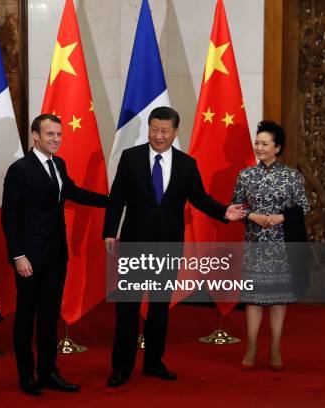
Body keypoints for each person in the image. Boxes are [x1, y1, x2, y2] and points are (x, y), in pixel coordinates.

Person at [103, 106, 246, 387]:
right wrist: (110, 232)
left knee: (158, 307)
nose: (158, 135)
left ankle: (154, 363)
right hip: (134, 244)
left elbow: (200, 198)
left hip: (168, 246)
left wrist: (224, 212)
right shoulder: (131, 158)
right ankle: (121, 367)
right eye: (154, 129)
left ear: (174, 132)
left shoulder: (186, 164)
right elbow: (117, 197)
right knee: (128, 308)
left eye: (164, 131)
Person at [1, 113, 107, 396]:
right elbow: (9, 217)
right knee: (26, 316)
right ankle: (27, 375)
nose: (56, 140)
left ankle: (48, 371)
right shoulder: (20, 169)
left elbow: (74, 192)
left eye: (59, 135)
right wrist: (18, 256)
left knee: (49, 316)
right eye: (50, 135)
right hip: (29, 258)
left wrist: (113, 200)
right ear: (35, 136)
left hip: (56, 255)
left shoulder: (58, 164)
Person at [232, 120, 310, 371]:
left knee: (278, 300)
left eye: (265, 143)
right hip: (255, 245)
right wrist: (250, 215)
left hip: (281, 245)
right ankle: (252, 347)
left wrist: (281, 216)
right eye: (257, 143)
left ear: (277, 147)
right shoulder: (245, 175)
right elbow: (235, 206)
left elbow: (303, 206)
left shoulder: (292, 176)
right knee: (253, 300)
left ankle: (275, 346)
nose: (259, 147)